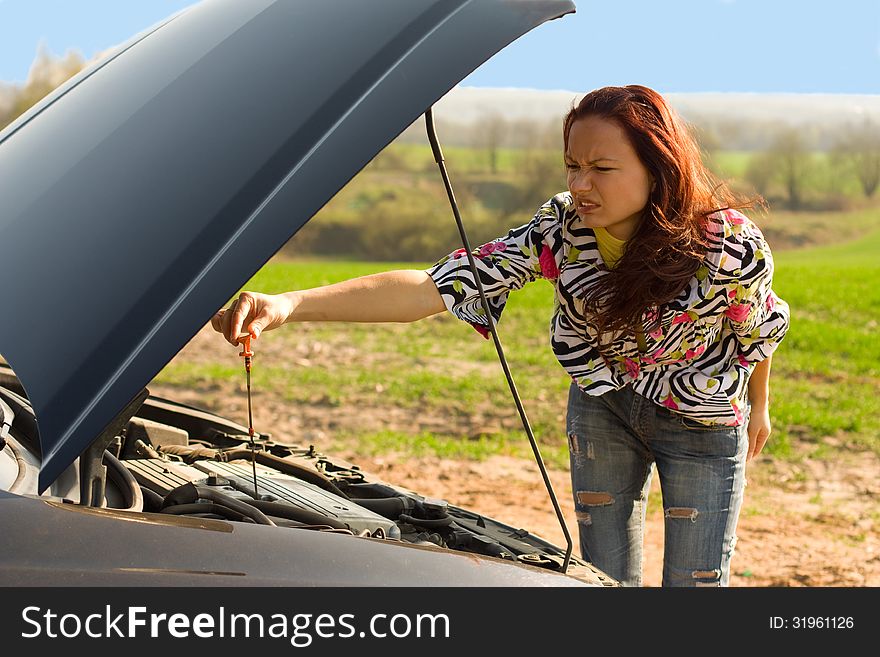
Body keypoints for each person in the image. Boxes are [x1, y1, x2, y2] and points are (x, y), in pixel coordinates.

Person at [212, 85, 790, 587]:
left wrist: (759, 406)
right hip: (601, 407)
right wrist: (288, 304)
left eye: (603, 169)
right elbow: (432, 288)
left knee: (696, 584)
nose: (582, 184)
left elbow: (755, 332)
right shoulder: (560, 229)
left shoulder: (725, 246)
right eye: (572, 166)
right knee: (603, 580)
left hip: (701, 418)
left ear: (658, 167)